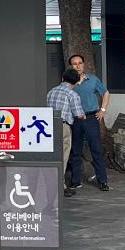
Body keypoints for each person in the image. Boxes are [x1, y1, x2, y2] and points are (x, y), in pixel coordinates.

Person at [68, 54, 110, 192]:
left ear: (84, 64)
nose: (78, 66)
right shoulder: (67, 81)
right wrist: (75, 84)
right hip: (75, 119)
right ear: (71, 66)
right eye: (74, 64)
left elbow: (105, 92)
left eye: (80, 63)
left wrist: (103, 110)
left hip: (91, 118)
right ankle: (75, 181)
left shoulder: (92, 79)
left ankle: (102, 181)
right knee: (75, 150)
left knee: (96, 149)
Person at [47, 68, 85, 196]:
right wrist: (84, 116)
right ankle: (59, 186)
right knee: (62, 156)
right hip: (63, 126)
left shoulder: (51, 91)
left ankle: (49, 183)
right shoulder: (72, 94)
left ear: (62, 79)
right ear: (76, 82)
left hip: (49, 126)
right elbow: (79, 114)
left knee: (52, 156)